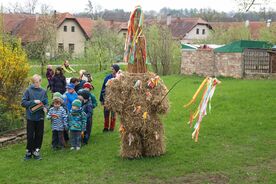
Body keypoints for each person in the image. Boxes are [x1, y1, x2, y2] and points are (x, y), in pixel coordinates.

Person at [21, 74, 48, 160]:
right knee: (30, 135)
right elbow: (23, 103)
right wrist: (33, 102)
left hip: (40, 117)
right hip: (30, 117)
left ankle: (36, 151)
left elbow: (46, 102)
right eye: (34, 82)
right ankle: (29, 152)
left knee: (39, 135)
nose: (36, 83)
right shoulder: (28, 90)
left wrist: (45, 108)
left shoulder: (43, 91)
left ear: (40, 81)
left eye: (38, 82)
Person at [99, 64, 120, 132]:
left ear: (116, 70)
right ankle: (106, 127)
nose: (112, 70)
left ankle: (112, 127)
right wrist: (102, 99)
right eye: (111, 69)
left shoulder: (119, 78)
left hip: (115, 99)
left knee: (113, 114)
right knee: (106, 113)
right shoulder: (108, 77)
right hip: (107, 98)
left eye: (113, 69)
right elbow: (103, 88)